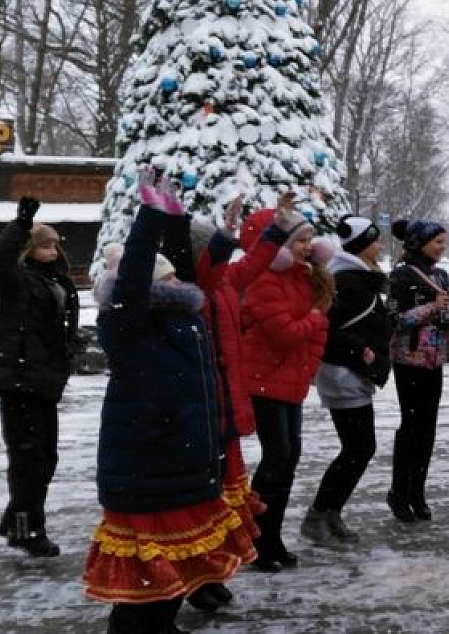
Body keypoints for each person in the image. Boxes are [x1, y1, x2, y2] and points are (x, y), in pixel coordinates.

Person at [83, 181, 254, 633]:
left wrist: (178, 216)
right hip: (148, 471)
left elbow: (188, 264)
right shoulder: (128, 325)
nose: (179, 279)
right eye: (169, 277)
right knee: (146, 585)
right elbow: (135, 275)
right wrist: (150, 217)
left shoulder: (184, 318)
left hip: (183, 468)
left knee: (174, 575)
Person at [179, 192, 298, 609]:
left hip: (225, 405)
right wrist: (227, 235)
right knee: (199, 499)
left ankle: (210, 571)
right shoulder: (195, 290)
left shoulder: (226, 281)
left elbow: (254, 263)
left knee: (220, 498)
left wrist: (276, 229)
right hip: (203, 408)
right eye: (212, 250)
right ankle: (194, 579)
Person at [0, 196, 80, 557]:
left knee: (45, 459)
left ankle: (15, 522)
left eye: (54, 245)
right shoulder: (16, 282)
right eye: (43, 245)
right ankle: (26, 530)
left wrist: (69, 347)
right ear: (29, 249)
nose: (51, 250)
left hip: (43, 381)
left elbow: (55, 328)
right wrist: (21, 225)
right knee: (28, 461)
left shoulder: (56, 282)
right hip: (19, 379)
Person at [239, 208, 334, 571]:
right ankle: (257, 538)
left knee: (288, 458)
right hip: (263, 381)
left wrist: (307, 368)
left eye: (310, 240)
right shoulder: (265, 281)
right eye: (300, 241)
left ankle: (271, 537)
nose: (308, 247)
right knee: (276, 458)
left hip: (289, 381)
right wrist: (314, 319)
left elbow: (314, 335)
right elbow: (286, 333)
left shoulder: (303, 277)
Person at [302, 215, 394, 543]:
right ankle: (319, 514)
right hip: (344, 373)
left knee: (358, 447)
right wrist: (360, 350)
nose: (379, 246)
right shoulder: (347, 281)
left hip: (350, 372)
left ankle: (330, 513)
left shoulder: (356, 278)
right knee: (359, 447)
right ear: (360, 245)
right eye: (374, 240)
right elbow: (328, 327)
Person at [387, 218, 449, 522]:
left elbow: (440, 319)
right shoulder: (401, 275)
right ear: (420, 243)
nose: (442, 247)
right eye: (437, 242)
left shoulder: (440, 275)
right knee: (410, 427)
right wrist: (432, 307)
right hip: (409, 360)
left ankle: (417, 491)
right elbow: (395, 319)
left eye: (444, 242)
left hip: (435, 360)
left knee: (428, 428)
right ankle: (398, 491)